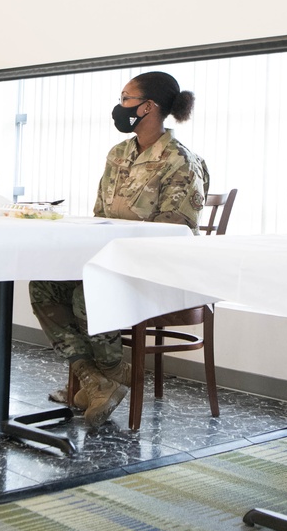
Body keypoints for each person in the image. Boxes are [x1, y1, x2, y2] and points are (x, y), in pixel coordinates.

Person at [29, 71, 210, 428]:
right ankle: (95, 381)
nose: (120, 105)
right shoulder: (118, 154)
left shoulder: (181, 162)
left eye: (126, 99)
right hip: (109, 264)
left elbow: (175, 235)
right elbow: (102, 215)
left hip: (158, 271)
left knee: (88, 293)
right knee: (43, 286)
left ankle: (112, 372)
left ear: (148, 107)